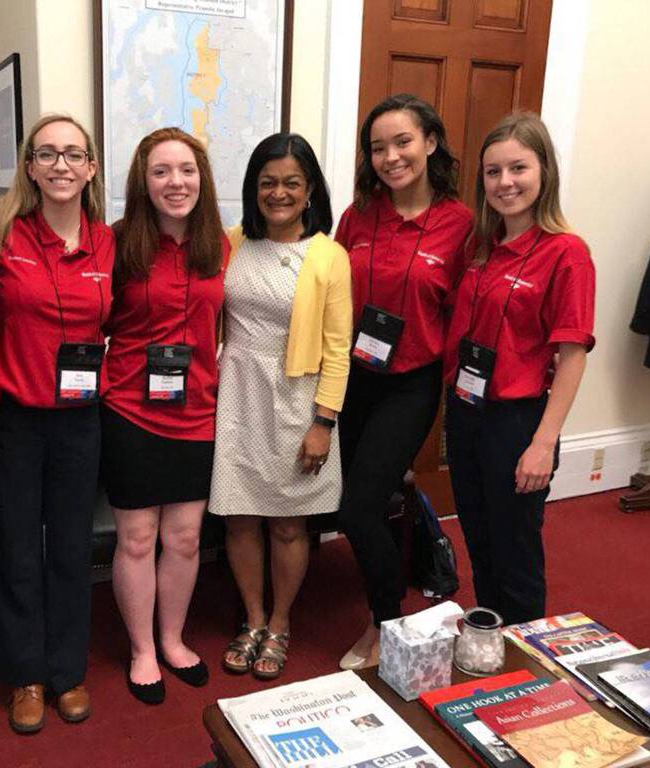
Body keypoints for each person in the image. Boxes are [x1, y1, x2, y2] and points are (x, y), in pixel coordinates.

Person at [0, 114, 114, 732]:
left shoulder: (107, 242)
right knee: (15, 545)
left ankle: (67, 671)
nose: (61, 165)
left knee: (70, 545)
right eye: (48, 154)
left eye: (73, 154)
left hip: (80, 419)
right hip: (16, 418)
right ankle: (24, 674)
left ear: (91, 168)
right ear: (30, 167)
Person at [333, 94, 472, 670]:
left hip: (411, 384)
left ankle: (384, 622)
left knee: (358, 508)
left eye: (403, 142)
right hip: (352, 380)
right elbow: (333, 297)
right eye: (378, 147)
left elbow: (467, 315)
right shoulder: (358, 216)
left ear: (430, 142)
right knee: (369, 499)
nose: (390, 157)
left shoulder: (461, 225)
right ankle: (390, 593)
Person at [210, 133, 352, 680]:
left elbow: (337, 349)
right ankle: (251, 618)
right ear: (253, 187)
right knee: (240, 518)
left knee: (289, 526)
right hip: (237, 394)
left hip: (297, 399)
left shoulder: (328, 256)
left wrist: (323, 422)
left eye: (292, 182)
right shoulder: (232, 242)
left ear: (310, 188)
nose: (279, 193)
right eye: (268, 182)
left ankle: (280, 621)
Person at [444, 112, 595, 625]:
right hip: (465, 410)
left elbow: (572, 353)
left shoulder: (567, 253)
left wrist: (543, 444)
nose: (505, 183)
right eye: (493, 172)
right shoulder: (480, 247)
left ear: (544, 171)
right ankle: (491, 637)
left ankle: (526, 653)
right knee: (479, 538)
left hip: (517, 421)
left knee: (516, 551)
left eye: (518, 168)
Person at [101, 127, 228, 704]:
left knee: (185, 538)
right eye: (161, 171)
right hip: (130, 409)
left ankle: (172, 639)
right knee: (136, 538)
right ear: (143, 182)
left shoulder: (219, 246)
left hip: (198, 410)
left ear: (202, 179)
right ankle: (141, 650)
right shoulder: (116, 245)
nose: (175, 182)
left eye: (186, 170)